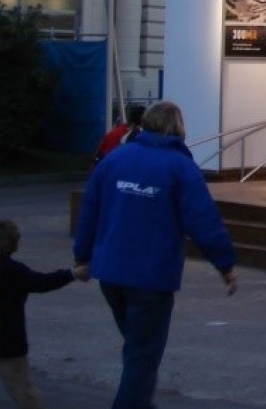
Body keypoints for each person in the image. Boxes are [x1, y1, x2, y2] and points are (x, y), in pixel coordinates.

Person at [73, 101, 238, 409]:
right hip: (151, 277)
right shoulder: (180, 168)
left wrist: (82, 255)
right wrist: (225, 264)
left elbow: (90, 211)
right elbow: (203, 220)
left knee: (137, 347)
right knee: (143, 353)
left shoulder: (114, 159)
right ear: (177, 127)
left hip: (110, 273)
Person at [0, 219, 83, 409]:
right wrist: (73, 274)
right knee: (25, 393)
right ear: (12, 244)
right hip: (9, 343)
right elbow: (42, 282)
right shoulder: (13, 270)